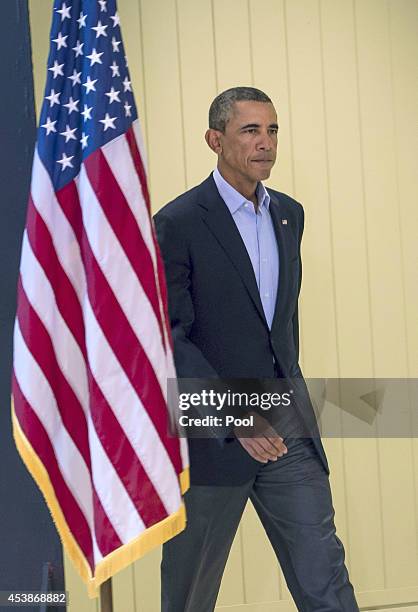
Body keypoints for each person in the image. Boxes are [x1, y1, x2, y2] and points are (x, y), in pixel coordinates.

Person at [154, 87, 359, 612]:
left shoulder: (289, 215)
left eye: (272, 130)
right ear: (214, 140)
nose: (265, 142)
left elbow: (275, 327)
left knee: (323, 572)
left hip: (286, 421)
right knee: (191, 588)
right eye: (250, 131)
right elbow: (169, 337)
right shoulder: (176, 224)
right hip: (213, 432)